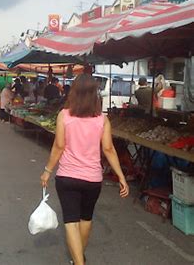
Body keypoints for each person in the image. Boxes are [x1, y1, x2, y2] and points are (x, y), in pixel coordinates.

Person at [40, 74, 129, 265]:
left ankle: (79, 262)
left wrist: (47, 170)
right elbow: (108, 149)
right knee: (86, 218)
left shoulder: (64, 115)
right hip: (93, 179)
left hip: (67, 177)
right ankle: (78, 260)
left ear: (74, 93)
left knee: (71, 221)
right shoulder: (102, 120)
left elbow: (59, 146)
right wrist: (121, 176)